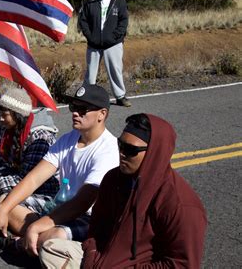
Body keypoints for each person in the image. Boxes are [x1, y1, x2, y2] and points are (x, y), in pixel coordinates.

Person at [40, 114, 207, 268]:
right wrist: (92, 256)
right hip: (102, 259)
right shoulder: (112, 180)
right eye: (120, 145)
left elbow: (182, 264)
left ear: (153, 153)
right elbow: (96, 230)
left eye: (130, 150)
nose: (121, 153)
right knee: (51, 248)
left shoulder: (181, 204)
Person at [0, 84, 119, 255]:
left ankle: (18, 242)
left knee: (54, 236)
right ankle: (30, 238)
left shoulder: (108, 150)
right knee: (6, 200)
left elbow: (83, 201)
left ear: (102, 114)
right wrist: (3, 210)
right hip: (58, 205)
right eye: (73, 107)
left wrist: (37, 225)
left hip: (87, 216)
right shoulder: (68, 140)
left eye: (82, 109)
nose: (75, 113)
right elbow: (34, 179)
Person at [0, 88, 59, 223]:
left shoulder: (40, 138)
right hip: (14, 175)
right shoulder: (9, 130)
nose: (1, 119)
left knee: (5, 198)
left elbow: (26, 179)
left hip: (40, 189)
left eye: (5, 114)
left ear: (18, 115)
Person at [78, 0, 131, 107]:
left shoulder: (118, 1)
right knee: (91, 73)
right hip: (94, 44)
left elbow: (123, 21)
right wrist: (90, 36)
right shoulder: (91, 1)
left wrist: (115, 36)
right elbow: (83, 20)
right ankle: (87, 97)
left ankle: (120, 97)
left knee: (115, 70)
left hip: (113, 44)